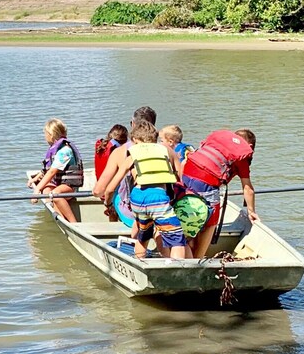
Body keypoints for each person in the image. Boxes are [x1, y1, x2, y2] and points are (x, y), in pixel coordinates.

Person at [103, 118, 186, 259]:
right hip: (158, 197)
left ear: (135, 139)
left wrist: (108, 204)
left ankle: (139, 264)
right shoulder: (167, 151)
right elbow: (180, 180)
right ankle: (178, 272)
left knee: (143, 236)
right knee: (177, 240)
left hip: (137, 198)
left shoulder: (132, 154)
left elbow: (110, 189)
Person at [181, 128, 258, 258]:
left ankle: (187, 246)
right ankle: (197, 259)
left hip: (187, 174)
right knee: (211, 221)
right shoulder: (241, 156)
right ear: (249, 146)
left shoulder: (217, 143)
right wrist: (251, 211)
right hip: (206, 181)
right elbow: (247, 188)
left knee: (188, 213)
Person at [93, 106, 157, 226]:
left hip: (133, 215)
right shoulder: (165, 150)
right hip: (160, 210)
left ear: (132, 124)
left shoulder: (120, 152)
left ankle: (115, 229)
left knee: (115, 193)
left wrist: (108, 204)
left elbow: (98, 191)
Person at [28, 118, 84, 222]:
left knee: (55, 194)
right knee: (46, 190)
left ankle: (73, 223)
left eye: (45, 134)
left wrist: (36, 190)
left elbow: (52, 172)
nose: (44, 137)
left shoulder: (65, 151)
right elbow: (47, 169)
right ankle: (61, 218)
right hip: (60, 183)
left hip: (70, 186)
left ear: (52, 135)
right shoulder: (56, 149)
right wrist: (35, 179)